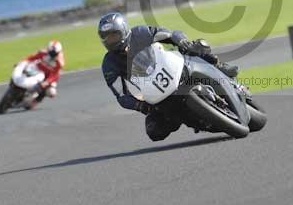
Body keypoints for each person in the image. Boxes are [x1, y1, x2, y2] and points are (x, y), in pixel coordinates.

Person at [98, 12, 238, 141]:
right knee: (154, 131)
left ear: (123, 31)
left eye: (113, 35)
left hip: (171, 67)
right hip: (155, 92)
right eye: (106, 38)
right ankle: (200, 121)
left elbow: (168, 34)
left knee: (195, 47)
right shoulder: (109, 64)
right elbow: (121, 96)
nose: (110, 40)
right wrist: (140, 106)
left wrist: (181, 41)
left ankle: (219, 66)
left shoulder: (139, 33)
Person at [25, 40, 64, 109]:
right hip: (37, 71)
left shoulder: (59, 62)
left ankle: (35, 102)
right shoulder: (43, 52)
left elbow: (55, 75)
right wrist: (23, 62)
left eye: (54, 53)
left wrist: (47, 82)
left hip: (48, 76)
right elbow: (32, 58)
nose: (52, 55)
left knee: (51, 92)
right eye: (51, 53)